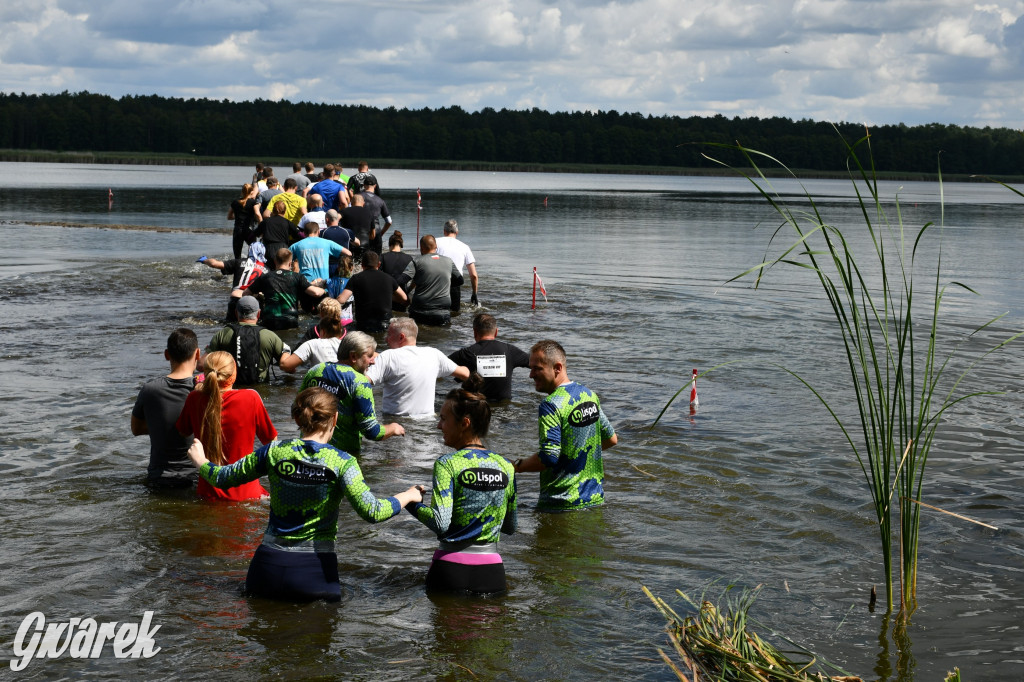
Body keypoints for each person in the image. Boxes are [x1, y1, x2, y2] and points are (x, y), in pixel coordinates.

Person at [186, 387, 423, 602]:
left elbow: (223, 478)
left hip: (266, 569)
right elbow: (373, 511)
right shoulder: (342, 462)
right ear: (335, 419)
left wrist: (201, 461)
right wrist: (407, 495)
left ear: (297, 418)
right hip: (315, 572)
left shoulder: (274, 451)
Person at [407, 374, 516, 595]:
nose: (439, 426)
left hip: (450, 570)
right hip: (492, 572)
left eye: (444, 419)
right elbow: (509, 526)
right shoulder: (506, 466)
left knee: (447, 629)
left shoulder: (448, 464)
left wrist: (410, 502)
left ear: (464, 423)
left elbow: (440, 523)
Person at [513, 340, 618, 512]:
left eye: (537, 368)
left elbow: (548, 457)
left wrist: (517, 466)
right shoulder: (589, 395)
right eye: (530, 368)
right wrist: (576, 457)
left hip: (559, 505)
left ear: (557, 368)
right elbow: (611, 439)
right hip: (595, 499)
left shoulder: (551, 404)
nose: (531, 375)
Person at [176, 351, 277, 501]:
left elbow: (183, 431)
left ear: (206, 373)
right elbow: (271, 442)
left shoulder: (194, 398)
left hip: (208, 493)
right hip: (247, 493)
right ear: (233, 375)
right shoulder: (251, 397)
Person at [300, 331, 405, 455]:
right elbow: (371, 431)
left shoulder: (316, 370)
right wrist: (393, 428)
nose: (373, 361)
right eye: (369, 356)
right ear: (354, 356)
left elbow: (297, 408)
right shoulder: (359, 383)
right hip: (342, 455)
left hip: (307, 449)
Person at [131, 328, 200, 487]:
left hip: (158, 478)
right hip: (197, 477)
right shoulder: (203, 389)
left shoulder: (150, 389)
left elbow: (136, 429)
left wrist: (162, 425)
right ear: (197, 354)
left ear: (166, 354)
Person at [365, 318, 469, 417]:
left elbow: (361, 382)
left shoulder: (387, 356)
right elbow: (465, 374)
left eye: (389, 335)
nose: (386, 339)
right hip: (427, 425)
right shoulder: (434, 354)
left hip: (396, 424)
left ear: (401, 337)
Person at [206, 295, 294, 383]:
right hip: (259, 392)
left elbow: (201, 365)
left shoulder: (222, 334)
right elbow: (290, 369)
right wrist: (286, 351)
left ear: (236, 313)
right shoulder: (269, 336)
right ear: (259, 313)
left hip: (231, 389)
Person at [448, 313, 530, 402]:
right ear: (496, 332)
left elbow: (439, 364)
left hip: (476, 406)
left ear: (475, 332)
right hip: (504, 409)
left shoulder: (466, 353)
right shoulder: (510, 351)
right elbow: (535, 362)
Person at [246, 249, 326, 327]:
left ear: (275, 261)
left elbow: (245, 293)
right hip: (290, 321)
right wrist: (324, 290)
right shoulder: (297, 277)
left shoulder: (265, 277)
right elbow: (315, 293)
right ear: (290, 263)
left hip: (269, 322)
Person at [337, 251, 407, 334]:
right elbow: (404, 298)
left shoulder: (356, 278)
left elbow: (341, 299)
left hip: (364, 324)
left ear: (362, 265)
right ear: (379, 264)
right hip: (385, 323)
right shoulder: (389, 278)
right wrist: (388, 297)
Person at [402, 235, 463, 327]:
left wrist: (403, 294)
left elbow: (402, 280)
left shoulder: (416, 261)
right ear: (436, 247)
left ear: (421, 248)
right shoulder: (449, 261)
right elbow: (460, 280)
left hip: (420, 310)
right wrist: (445, 283)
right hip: (442, 311)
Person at [197, 242, 268, 321]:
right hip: (254, 302)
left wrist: (205, 260)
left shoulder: (239, 262)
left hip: (237, 298)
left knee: (230, 326)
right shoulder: (267, 270)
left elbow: (214, 263)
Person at [280, 298, 346, 373]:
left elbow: (287, 364)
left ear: (320, 314)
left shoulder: (312, 339)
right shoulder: (347, 338)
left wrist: (286, 351)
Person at [434, 219, 479, 312]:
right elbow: (474, 275)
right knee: (454, 312)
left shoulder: (434, 242)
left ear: (444, 231)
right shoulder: (465, 247)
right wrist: (474, 293)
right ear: (457, 232)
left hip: (436, 282)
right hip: (455, 283)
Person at [358, 176, 392, 255]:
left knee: (360, 258)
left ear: (364, 185)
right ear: (375, 186)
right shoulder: (380, 200)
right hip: (376, 232)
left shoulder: (358, 197)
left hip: (361, 231)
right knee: (376, 258)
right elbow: (389, 221)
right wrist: (381, 233)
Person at [380, 231, 413, 312]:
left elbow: (379, 276)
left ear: (390, 244)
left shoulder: (383, 257)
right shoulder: (409, 258)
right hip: (403, 296)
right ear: (401, 245)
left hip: (387, 295)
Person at [228, 183, 259, 259]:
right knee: (253, 251)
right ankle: (249, 266)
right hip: (249, 230)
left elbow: (229, 217)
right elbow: (257, 214)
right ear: (251, 192)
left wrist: (239, 217)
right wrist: (262, 224)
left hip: (238, 230)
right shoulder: (253, 202)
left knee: (237, 255)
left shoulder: (235, 202)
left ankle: (237, 268)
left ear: (242, 191)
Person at [340, 194, 373, 260]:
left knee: (349, 265)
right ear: (363, 203)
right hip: (365, 244)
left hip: (350, 244)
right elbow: (373, 235)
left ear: (351, 203)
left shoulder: (344, 212)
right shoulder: (369, 213)